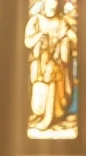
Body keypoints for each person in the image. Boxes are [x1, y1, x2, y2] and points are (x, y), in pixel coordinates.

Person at [24, 0, 77, 132]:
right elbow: (28, 42)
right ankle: (39, 114)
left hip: (56, 63)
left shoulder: (62, 21)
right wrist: (38, 37)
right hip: (38, 63)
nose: (52, 7)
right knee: (38, 95)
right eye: (49, 4)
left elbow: (73, 39)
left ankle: (49, 117)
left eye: (54, 5)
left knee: (52, 73)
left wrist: (64, 38)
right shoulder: (35, 21)